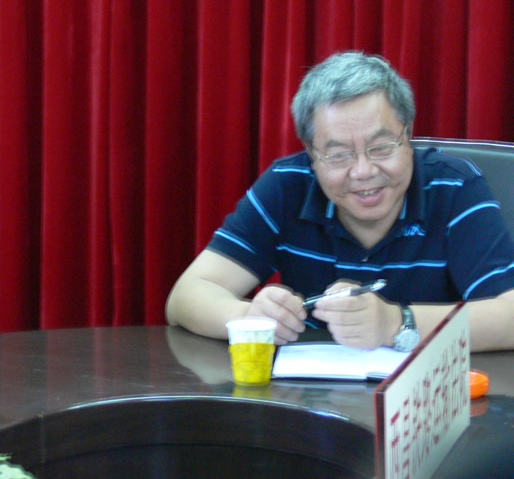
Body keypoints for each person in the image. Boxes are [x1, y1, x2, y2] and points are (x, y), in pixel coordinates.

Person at [166, 51, 514, 353]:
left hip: (425, 398)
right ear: (311, 153)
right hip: (308, 399)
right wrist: (249, 318)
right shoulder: (288, 185)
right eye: (338, 155)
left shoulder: (454, 186)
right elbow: (185, 297)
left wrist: (397, 322)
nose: (363, 171)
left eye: (380, 148)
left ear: (407, 134)